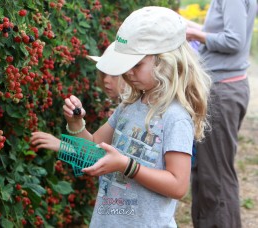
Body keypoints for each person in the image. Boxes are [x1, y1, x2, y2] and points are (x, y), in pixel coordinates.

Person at [30, 6, 211, 227]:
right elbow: (94, 150)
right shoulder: (129, 106)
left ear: (165, 61)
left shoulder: (175, 117)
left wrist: (126, 165)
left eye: (136, 65)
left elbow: (178, 185)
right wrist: (76, 122)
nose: (128, 73)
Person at [185, 0, 257, 227]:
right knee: (207, 170)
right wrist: (192, 29)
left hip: (222, 91)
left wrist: (195, 35)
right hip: (223, 87)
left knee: (215, 176)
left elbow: (234, 40)